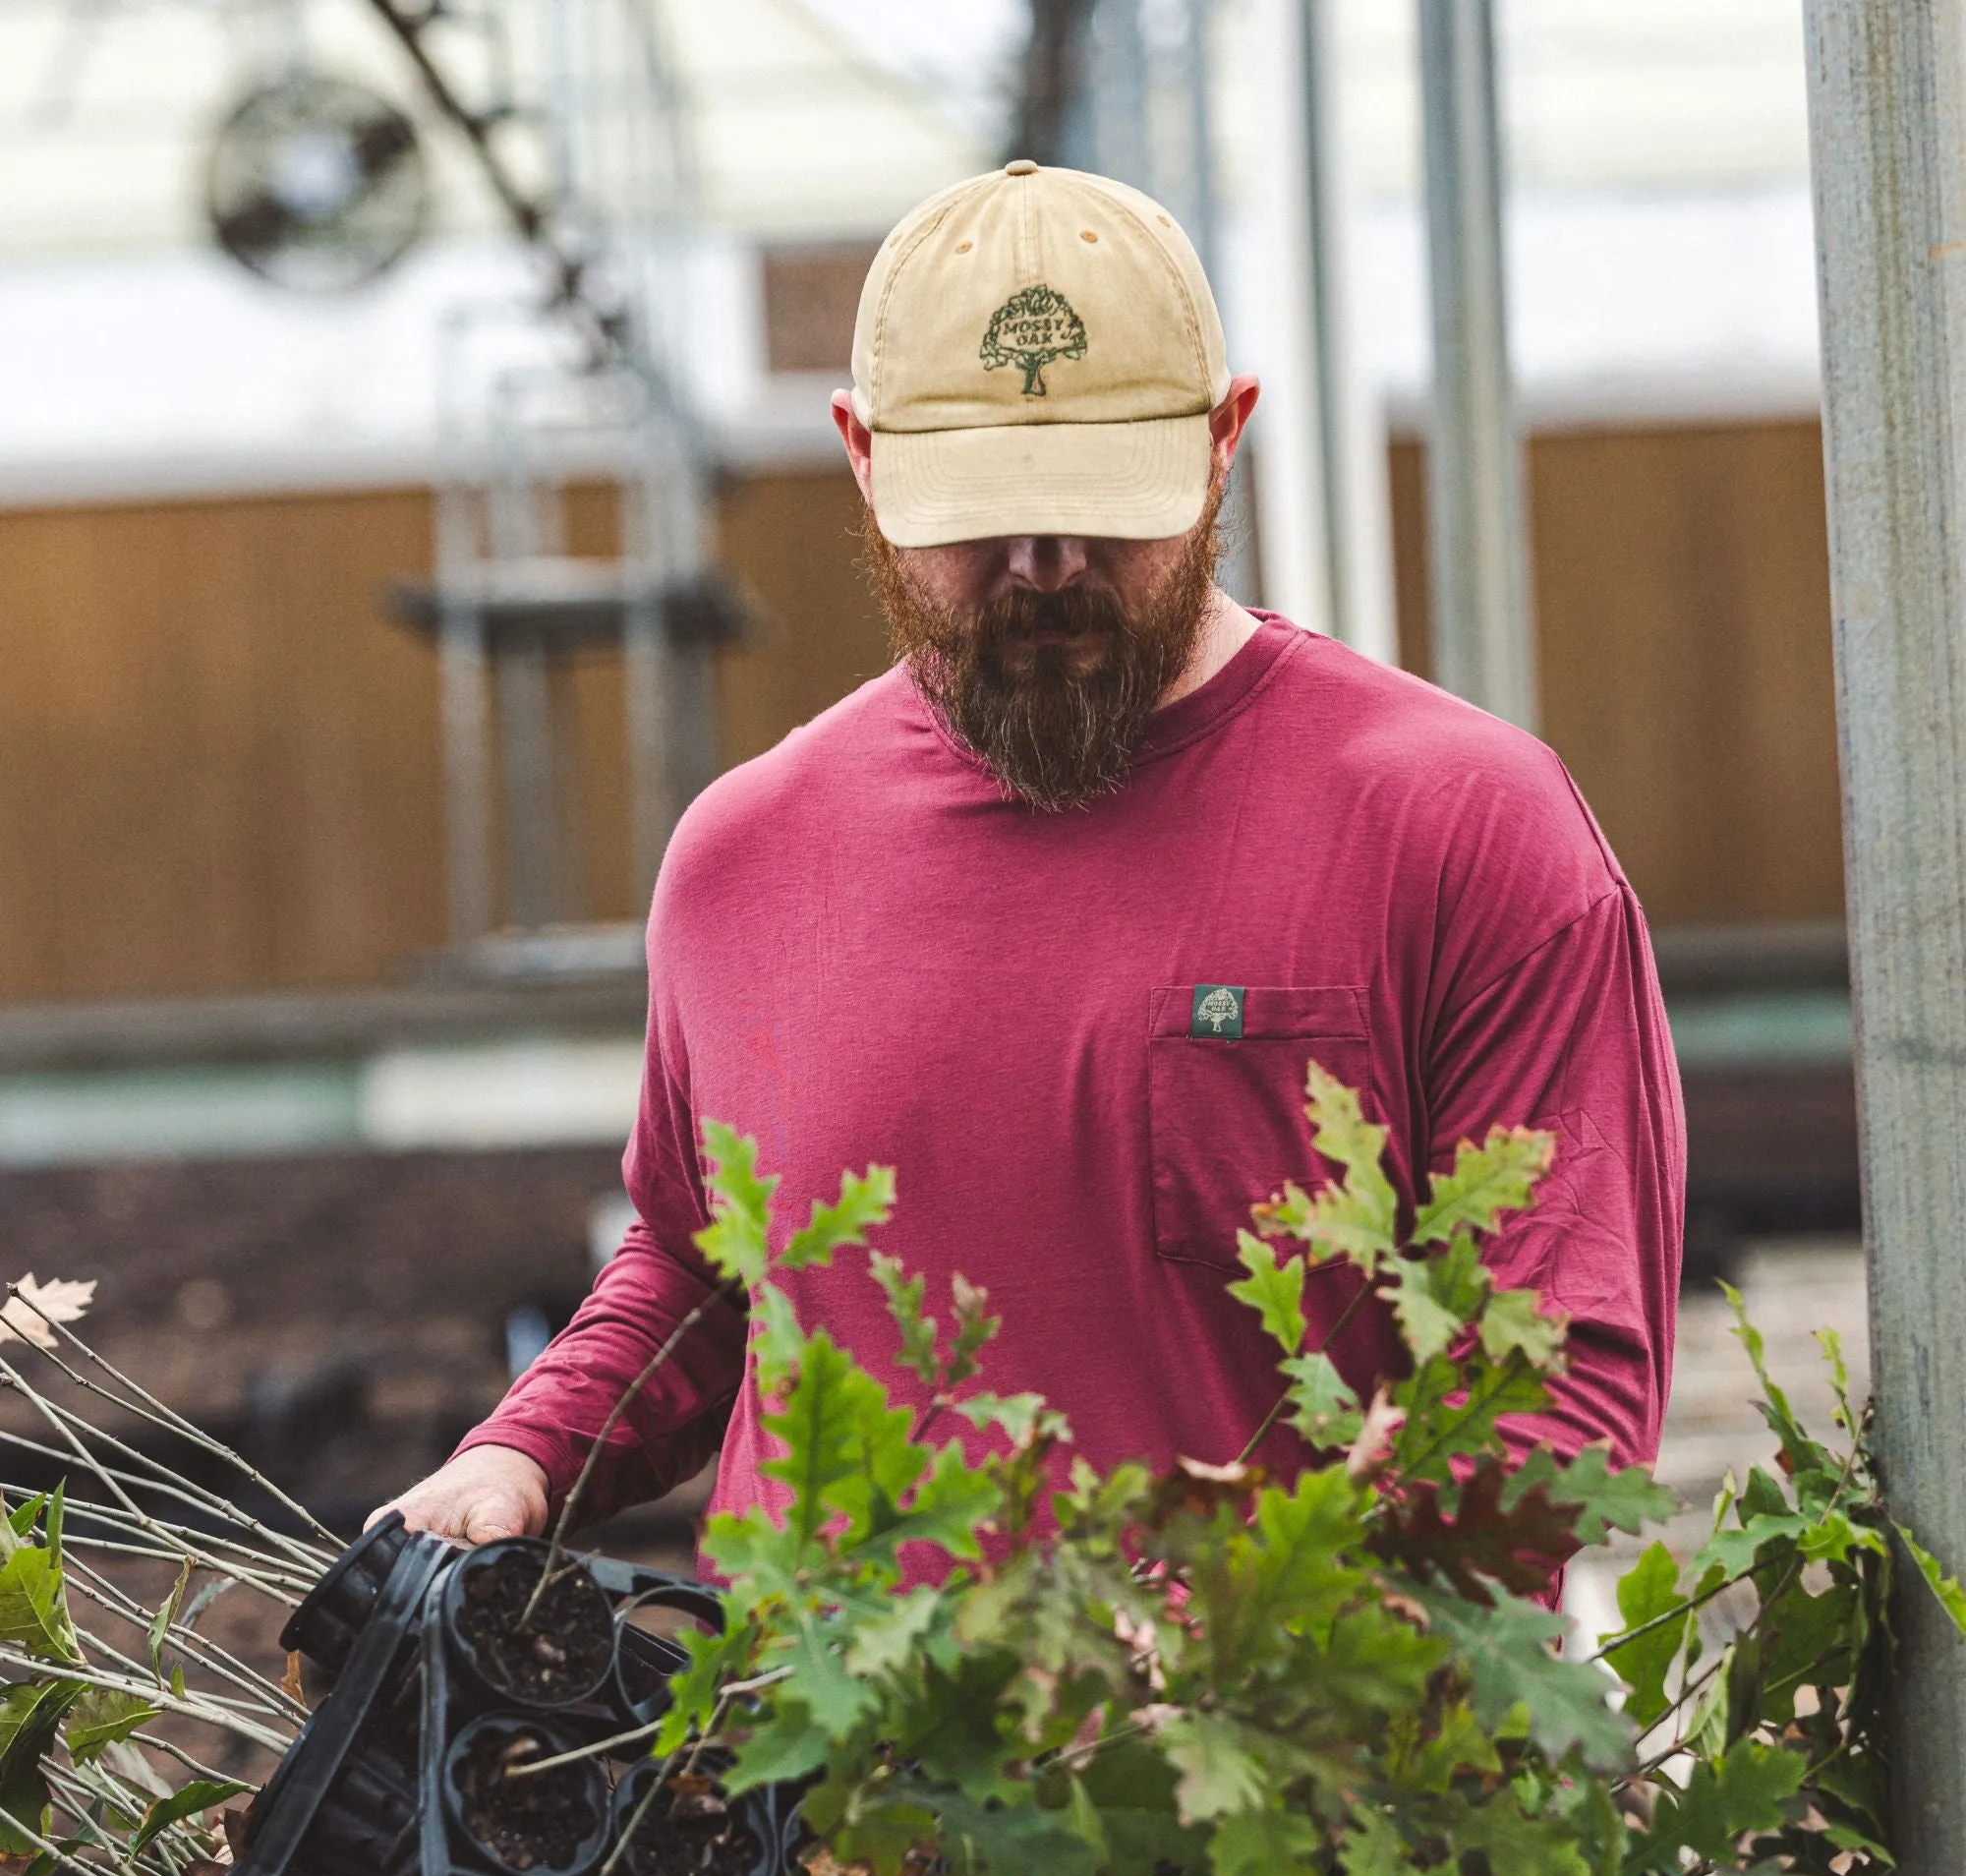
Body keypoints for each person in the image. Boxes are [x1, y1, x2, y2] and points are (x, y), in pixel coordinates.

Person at [378, 161, 1682, 1558]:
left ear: (1223, 438)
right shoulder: (744, 857)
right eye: (982, 509)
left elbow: (1567, 1371)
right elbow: (710, 1272)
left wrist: (1248, 1623)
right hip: (823, 1764)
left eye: (1104, 499)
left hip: (1290, 1758)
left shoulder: (1462, 827)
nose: (1048, 563)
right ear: (863, 457)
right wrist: (526, 1450)